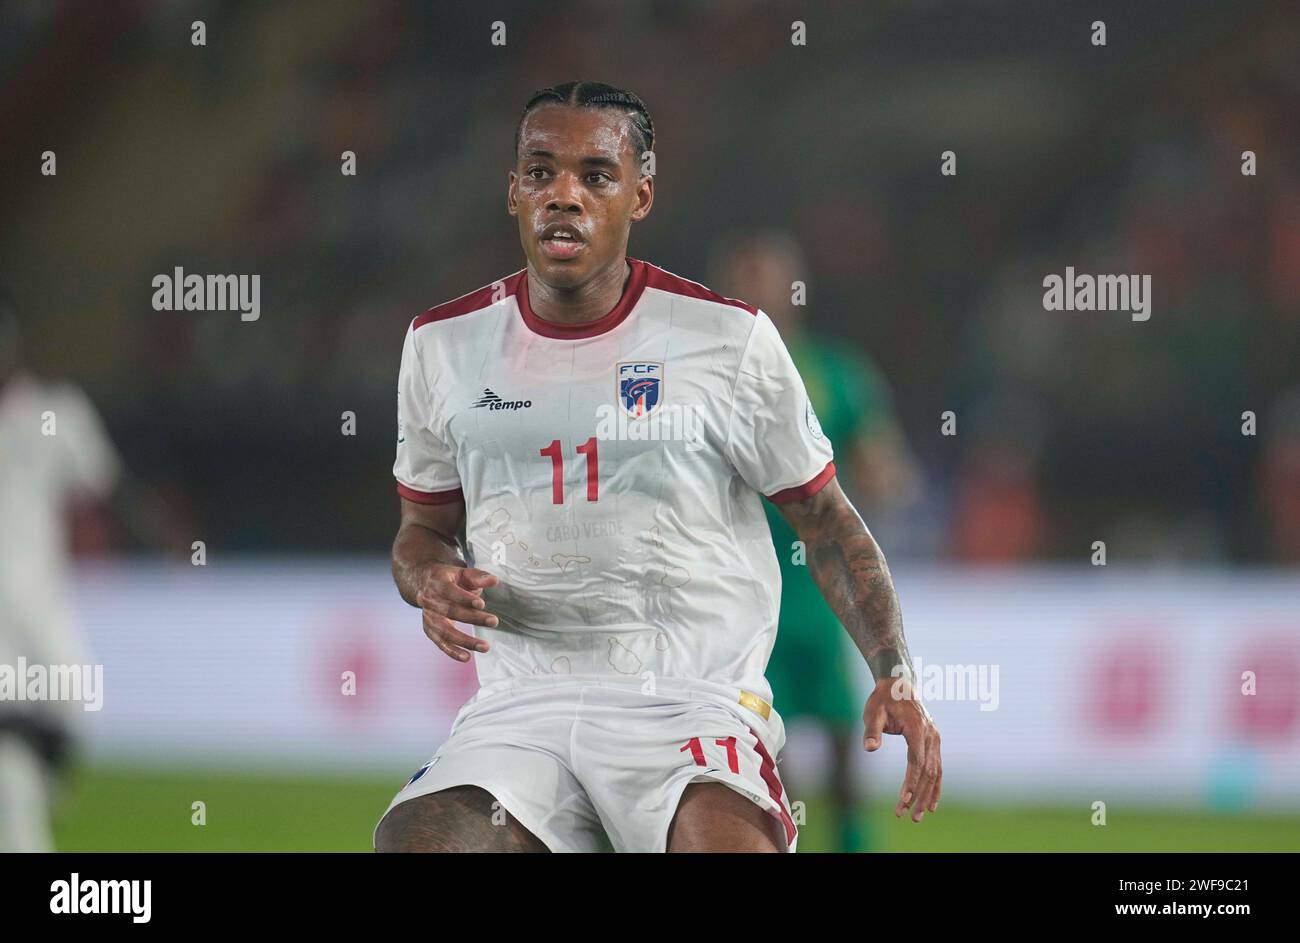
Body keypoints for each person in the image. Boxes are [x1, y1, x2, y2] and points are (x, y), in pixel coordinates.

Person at [373, 82, 941, 853]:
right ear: (513, 192)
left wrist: (894, 669)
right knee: (421, 840)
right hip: (523, 707)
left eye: (595, 175)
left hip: (691, 701)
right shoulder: (441, 345)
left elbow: (829, 522)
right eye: (540, 172)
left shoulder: (728, 340)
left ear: (641, 194)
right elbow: (422, 530)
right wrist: (427, 581)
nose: (564, 195)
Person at [711, 231, 919, 852]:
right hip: (742, 593)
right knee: (765, 741)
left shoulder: (835, 372)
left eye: (767, 278)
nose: (758, 291)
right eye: (745, 279)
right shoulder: (703, 377)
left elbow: (883, 464)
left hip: (821, 590)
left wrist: (882, 481)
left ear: (794, 289)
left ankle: (855, 845)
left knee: (843, 737)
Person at [0, 287, 122, 852]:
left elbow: (104, 493)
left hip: (38, 620)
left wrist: (172, 546)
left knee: (52, 737)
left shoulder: (55, 415)